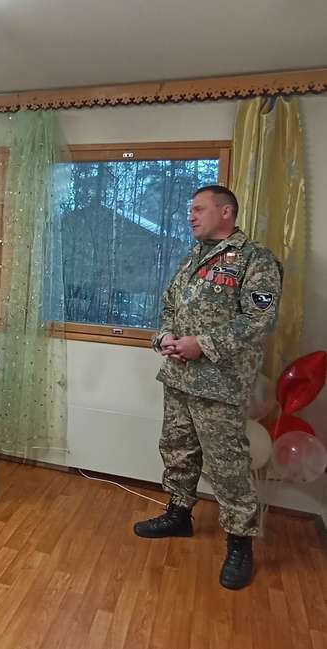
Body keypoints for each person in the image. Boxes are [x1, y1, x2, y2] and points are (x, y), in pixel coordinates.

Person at [132, 185, 283, 590]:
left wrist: (203, 344)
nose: (191, 215)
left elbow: (259, 320)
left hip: (220, 384)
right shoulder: (191, 258)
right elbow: (168, 306)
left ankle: (240, 544)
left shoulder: (256, 259)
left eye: (199, 209)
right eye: (190, 210)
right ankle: (178, 514)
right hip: (179, 377)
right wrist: (164, 337)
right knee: (177, 450)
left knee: (227, 466)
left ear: (226, 212)